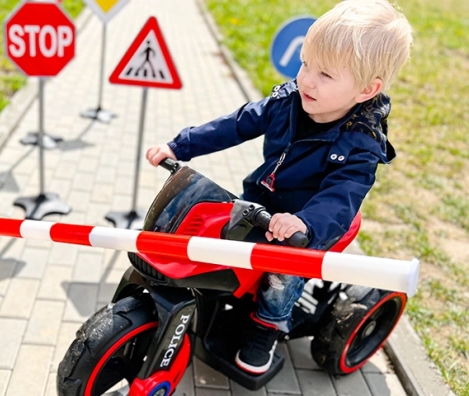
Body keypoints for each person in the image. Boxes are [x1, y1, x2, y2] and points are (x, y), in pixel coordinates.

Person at [145, 0, 413, 375]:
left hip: (312, 224)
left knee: (281, 270)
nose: (307, 80)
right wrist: (180, 145)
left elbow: (341, 198)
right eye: (305, 64)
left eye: (325, 74)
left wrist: (304, 223)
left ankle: (265, 329)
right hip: (265, 200)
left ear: (367, 89)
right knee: (219, 228)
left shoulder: (361, 145)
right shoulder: (288, 102)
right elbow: (235, 124)